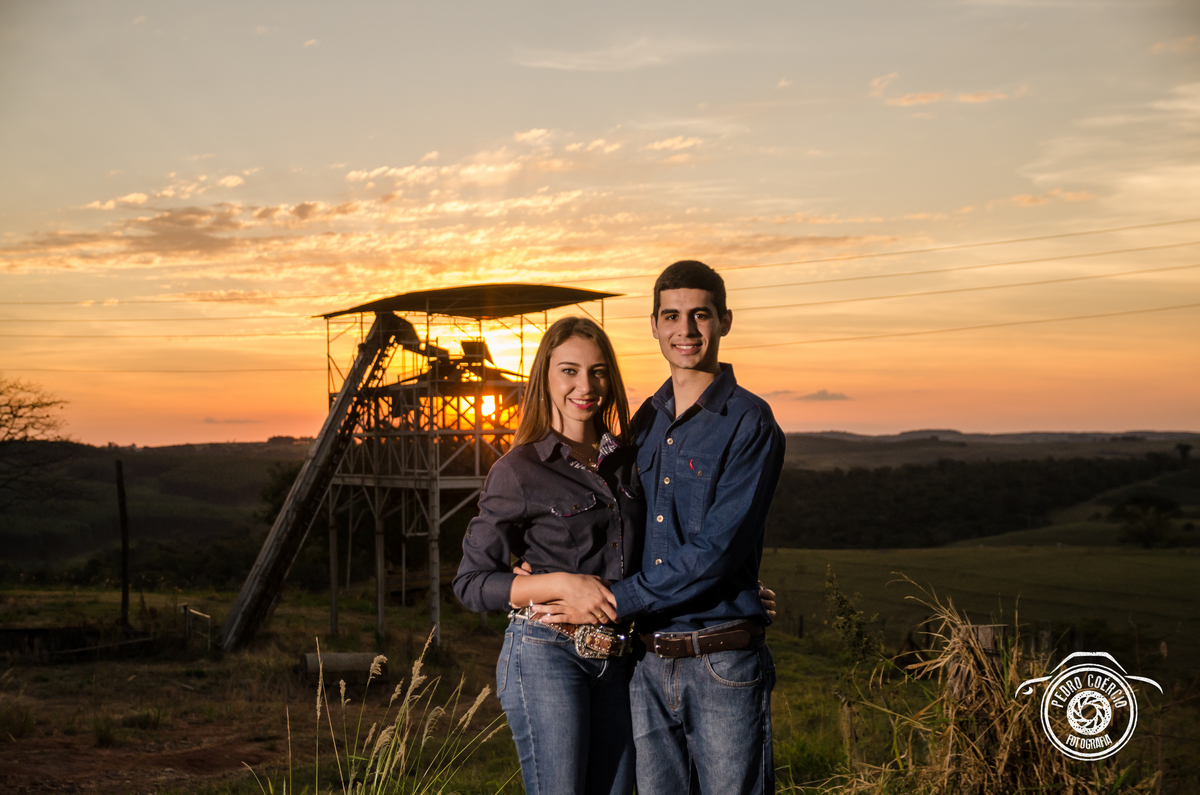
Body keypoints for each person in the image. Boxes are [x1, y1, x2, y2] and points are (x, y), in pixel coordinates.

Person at [535, 260, 785, 794]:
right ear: (653, 325)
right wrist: (537, 565)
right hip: (646, 664)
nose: (685, 330)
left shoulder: (750, 422)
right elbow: (608, 513)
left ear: (725, 321)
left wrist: (610, 601)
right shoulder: (645, 419)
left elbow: (716, 551)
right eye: (671, 316)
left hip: (720, 661)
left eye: (701, 315)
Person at [452, 316, 641, 795]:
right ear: (546, 377)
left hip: (621, 660)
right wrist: (559, 584)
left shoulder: (631, 463)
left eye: (598, 372)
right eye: (569, 371)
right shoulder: (518, 470)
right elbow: (470, 583)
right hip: (547, 655)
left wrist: (735, 584)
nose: (585, 386)